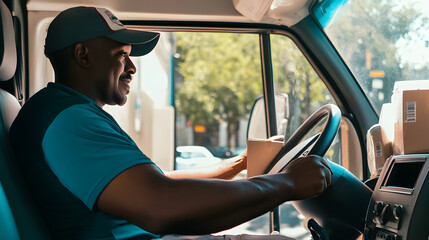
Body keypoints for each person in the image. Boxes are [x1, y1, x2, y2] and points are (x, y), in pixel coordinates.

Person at [9, 6, 332, 240]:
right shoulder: (69, 122)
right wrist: (288, 184)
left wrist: (240, 164)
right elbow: (160, 205)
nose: (132, 67)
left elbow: (154, 182)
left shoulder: (66, 112)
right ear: (83, 55)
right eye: (121, 55)